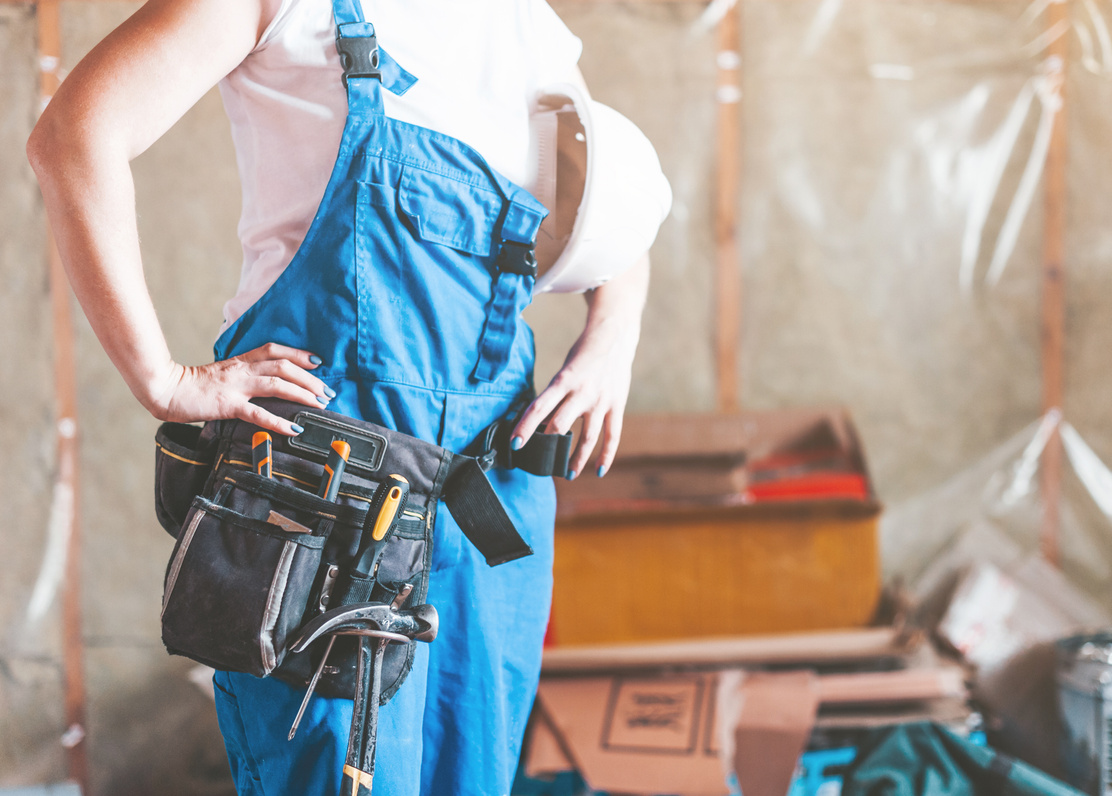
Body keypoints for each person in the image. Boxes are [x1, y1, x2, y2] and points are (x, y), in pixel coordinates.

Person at [27, 0, 657, 793]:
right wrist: (162, 378)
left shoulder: (518, 18)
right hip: (331, 501)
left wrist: (614, 334)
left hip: (487, 489)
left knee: (478, 775)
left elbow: (611, 204)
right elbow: (73, 136)